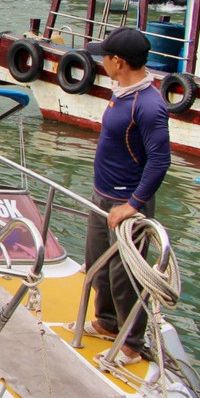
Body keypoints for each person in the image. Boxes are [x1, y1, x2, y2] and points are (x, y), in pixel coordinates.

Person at [83, 26, 171, 364]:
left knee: (125, 275)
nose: (101, 62)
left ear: (118, 61)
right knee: (97, 264)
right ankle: (107, 321)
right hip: (102, 194)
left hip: (126, 202)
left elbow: (160, 160)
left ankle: (132, 343)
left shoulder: (148, 106)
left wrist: (133, 205)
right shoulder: (121, 90)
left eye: (104, 57)